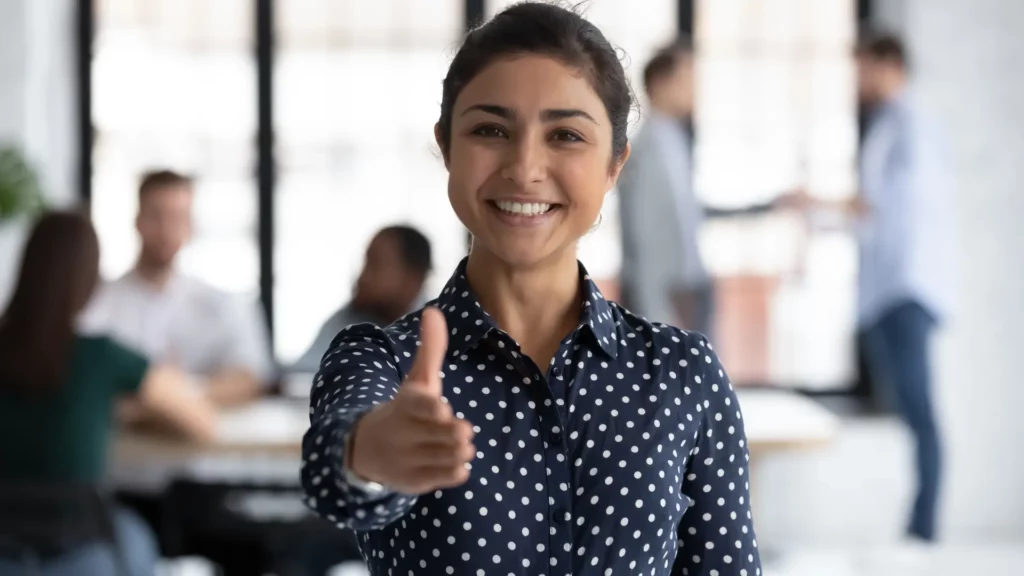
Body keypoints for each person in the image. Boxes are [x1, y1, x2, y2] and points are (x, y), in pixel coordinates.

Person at [299, 4, 761, 575]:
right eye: (491, 130)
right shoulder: (383, 361)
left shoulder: (682, 372)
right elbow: (332, 478)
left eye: (565, 135)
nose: (525, 167)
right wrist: (368, 454)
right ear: (446, 145)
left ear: (615, 164)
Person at [796, 33, 954, 543]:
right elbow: (871, 214)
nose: (858, 80)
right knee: (910, 414)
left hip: (905, 290)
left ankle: (923, 531)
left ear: (889, 64)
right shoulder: (889, 123)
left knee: (920, 414)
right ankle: (916, 529)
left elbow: (883, 210)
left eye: (864, 68)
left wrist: (816, 203)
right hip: (889, 289)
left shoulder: (911, 124)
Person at [0, 211, 217, 576]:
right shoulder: (100, 356)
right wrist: (124, 412)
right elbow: (201, 422)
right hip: (82, 554)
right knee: (140, 538)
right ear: (87, 281)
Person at [618, 39, 781, 335]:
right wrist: (653, 314)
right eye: (687, 79)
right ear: (660, 83)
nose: (696, 89)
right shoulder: (642, 151)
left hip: (693, 284)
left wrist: (767, 207)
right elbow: (642, 236)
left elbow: (689, 212)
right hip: (667, 294)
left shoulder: (677, 141)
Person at [80, 170, 274, 410]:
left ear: (190, 226)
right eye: (156, 216)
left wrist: (174, 395)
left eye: (177, 218)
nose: (166, 230)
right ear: (137, 221)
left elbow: (251, 377)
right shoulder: (98, 300)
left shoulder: (222, 303)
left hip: (200, 442)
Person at [290, 225, 432, 373]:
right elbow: (300, 377)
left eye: (375, 264)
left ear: (413, 278)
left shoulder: (441, 329)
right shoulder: (346, 319)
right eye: (365, 263)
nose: (362, 278)